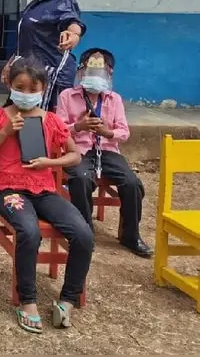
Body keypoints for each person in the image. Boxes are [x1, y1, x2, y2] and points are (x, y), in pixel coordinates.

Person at [0, 57, 92, 334]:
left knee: (84, 234)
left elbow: (75, 155)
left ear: (43, 88)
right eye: (21, 87)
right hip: (10, 191)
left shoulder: (51, 120)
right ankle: (27, 301)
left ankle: (67, 299)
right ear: (10, 86)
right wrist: (5, 132)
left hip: (44, 191)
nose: (27, 94)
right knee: (29, 232)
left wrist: (49, 163)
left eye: (33, 89)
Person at [56, 48, 153, 258]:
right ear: (81, 72)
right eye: (91, 72)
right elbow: (58, 129)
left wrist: (107, 132)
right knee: (80, 178)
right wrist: (79, 126)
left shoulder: (114, 99)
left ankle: (130, 234)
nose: (95, 78)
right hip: (78, 149)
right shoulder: (67, 96)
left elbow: (124, 132)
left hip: (107, 150)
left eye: (100, 74)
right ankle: (84, 231)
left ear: (109, 74)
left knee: (132, 182)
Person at [6, 0, 85, 110]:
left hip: (49, 74)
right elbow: (29, 38)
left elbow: (71, 20)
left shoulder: (63, 0)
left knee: (41, 121)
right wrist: (13, 61)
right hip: (29, 68)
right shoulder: (42, 0)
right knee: (16, 116)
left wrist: (74, 34)